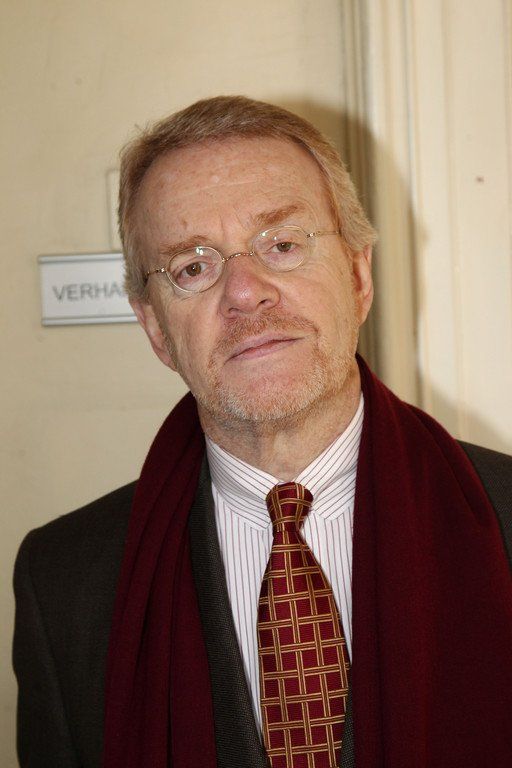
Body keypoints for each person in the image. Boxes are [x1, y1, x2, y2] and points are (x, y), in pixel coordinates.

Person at [13, 96, 512, 768]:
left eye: (282, 243)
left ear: (358, 275)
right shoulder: (63, 584)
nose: (245, 292)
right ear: (155, 327)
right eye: (193, 266)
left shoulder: (505, 519)